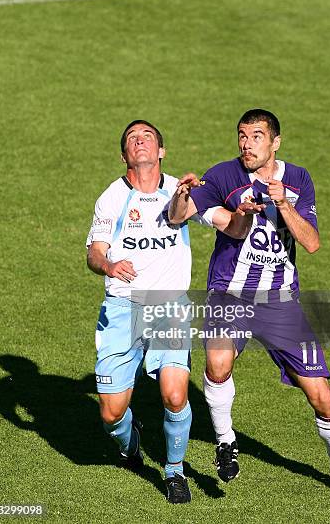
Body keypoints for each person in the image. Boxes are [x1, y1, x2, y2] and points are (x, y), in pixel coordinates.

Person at [168, 108, 330, 500]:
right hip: (231, 293)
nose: (246, 143)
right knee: (217, 363)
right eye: (242, 135)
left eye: (256, 136)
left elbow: (311, 243)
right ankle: (225, 442)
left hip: (281, 302)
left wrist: (284, 205)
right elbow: (177, 217)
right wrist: (182, 194)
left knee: (320, 396)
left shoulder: (298, 180)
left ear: (275, 142)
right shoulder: (224, 174)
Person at [86, 119, 246, 504]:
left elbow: (232, 227)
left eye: (147, 137)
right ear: (124, 154)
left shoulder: (182, 191)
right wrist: (108, 266)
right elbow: (94, 252)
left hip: (169, 307)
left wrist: (244, 212)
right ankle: (130, 443)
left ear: (161, 151)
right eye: (131, 139)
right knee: (111, 414)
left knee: (175, 396)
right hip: (122, 307)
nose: (139, 142)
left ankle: (174, 472)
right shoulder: (111, 198)